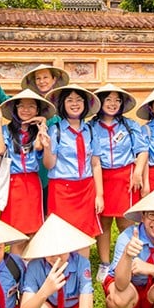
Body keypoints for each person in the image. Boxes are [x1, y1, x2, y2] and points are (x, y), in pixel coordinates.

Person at [90, 84, 150, 283]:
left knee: (127, 221)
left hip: (126, 178)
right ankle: (105, 263)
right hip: (101, 177)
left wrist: (138, 173)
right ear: (100, 103)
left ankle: (127, 260)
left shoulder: (129, 125)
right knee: (104, 222)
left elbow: (142, 150)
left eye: (117, 100)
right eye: (108, 100)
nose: (113, 104)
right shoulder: (90, 126)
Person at [0, 89, 55, 255]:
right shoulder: (6, 130)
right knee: (16, 234)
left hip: (33, 184)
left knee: (34, 232)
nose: (26, 110)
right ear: (15, 109)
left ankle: (31, 272)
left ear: (37, 110)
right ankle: (16, 273)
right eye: (21, 106)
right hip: (14, 185)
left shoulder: (38, 132)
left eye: (31, 106)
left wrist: (42, 127)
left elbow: (39, 147)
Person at [42, 84, 104, 249]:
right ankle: (63, 271)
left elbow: (96, 164)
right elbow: (49, 164)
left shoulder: (90, 130)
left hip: (86, 188)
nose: (74, 104)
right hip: (62, 189)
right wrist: (47, 146)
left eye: (79, 100)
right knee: (61, 233)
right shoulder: (55, 130)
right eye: (70, 100)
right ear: (63, 104)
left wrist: (100, 195)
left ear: (85, 104)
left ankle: (83, 272)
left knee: (84, 234)